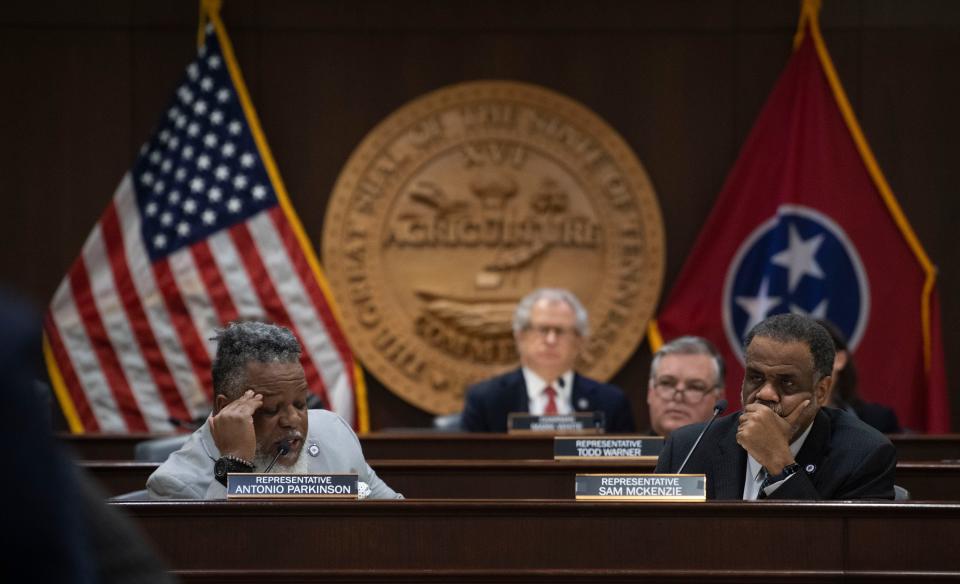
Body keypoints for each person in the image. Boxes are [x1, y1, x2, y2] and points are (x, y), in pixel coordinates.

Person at [147, 321, 401, 499]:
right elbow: (220, 559)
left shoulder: (334, 434)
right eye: (270, 410)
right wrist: (234, 465)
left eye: (301, 404)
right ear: (226, 408)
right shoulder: (174, 484)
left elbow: (394, 519)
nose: (293, 420)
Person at [655, 313, 896, 500]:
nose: (766, 394)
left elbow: (833, 554)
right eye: (756, 378)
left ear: (821, 391)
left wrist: (781, 464)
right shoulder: (688, 448)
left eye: (787, 382)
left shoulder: (862, 456)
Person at [461, 288, 635, 433]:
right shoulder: (486, 400)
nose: (551, 340)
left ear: (579, 341)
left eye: (560, 331)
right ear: (520, 336)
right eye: (543, 329)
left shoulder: (611, 403)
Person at [817, 319, 902, 434]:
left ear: (840, 359)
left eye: (816, 354)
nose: (808, 364)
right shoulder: (785, 420)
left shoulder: (876, 421)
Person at [646, 336, 725, 436]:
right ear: (650, 392)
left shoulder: (739, 451)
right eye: (666, 383)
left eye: (694, 387)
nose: (678, 397)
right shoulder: (624, 451)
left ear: (718, 398)